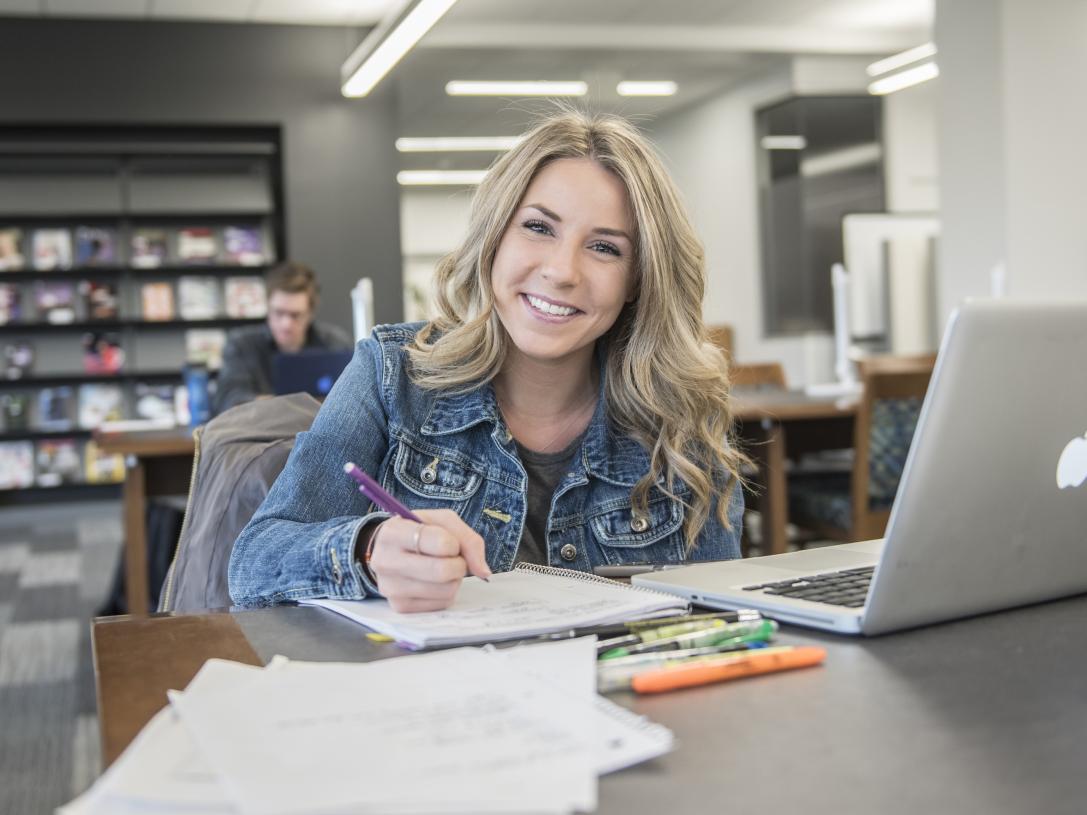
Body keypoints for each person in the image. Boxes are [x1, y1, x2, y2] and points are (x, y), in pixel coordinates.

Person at [229, 110, 747, 613]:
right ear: (494, 237)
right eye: (539, 228)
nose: (562, 272)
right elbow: (253, 563)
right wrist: (367, 550)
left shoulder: (680, 419)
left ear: (639, 280)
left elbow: (720, 620)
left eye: (606, 248)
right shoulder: (392, 374)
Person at [212, 261, 353, 415]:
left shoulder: (335, 344)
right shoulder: (242, 346)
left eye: (295, 315)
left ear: (310, 313)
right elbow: (228, 400)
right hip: (262, 434)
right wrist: (282, 407)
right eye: (278, 313)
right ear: (267, 307)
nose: (286, 324)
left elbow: (352, 401)